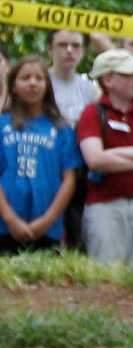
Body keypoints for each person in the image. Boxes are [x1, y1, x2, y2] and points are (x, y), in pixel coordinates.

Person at [75, 48, 133, 267]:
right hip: (104, 207)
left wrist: (114, 156)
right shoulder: (92, 113)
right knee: (106, 275)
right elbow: (95, 160)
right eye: (128, 75)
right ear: (108, 79)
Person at [2, 54, 83, 253]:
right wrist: (11, 219)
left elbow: (69, 179)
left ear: (47, 85)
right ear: (13, 86)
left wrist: (48, 220)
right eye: (25, 78)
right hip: (5, 226)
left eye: (39, 78)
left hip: (48, 227)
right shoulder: (2, 124)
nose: (33, 83)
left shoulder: (62, 129)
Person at [47, 30, 95, 126]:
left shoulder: (90, 89)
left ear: (83, 51)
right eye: (62, 45)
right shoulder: (39, 83)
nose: (69, 50)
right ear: (50, 49)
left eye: (76, 45)